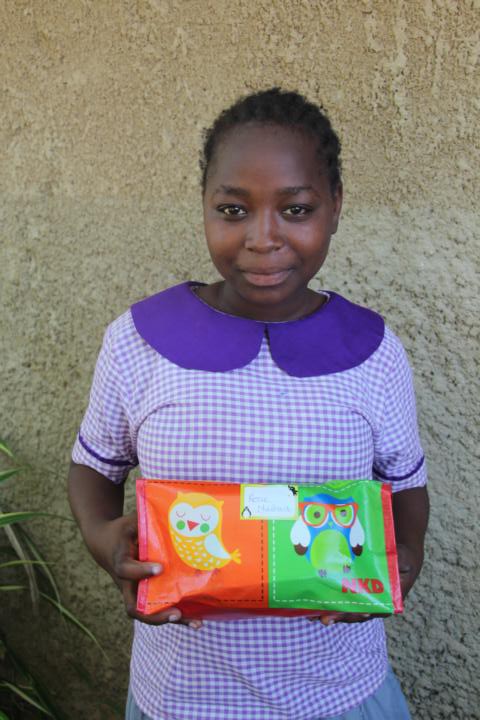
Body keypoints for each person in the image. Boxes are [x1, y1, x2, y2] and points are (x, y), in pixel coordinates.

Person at [68, 88, 429, 720]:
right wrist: (104, 540)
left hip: (340, 692)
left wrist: (398, 569)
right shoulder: (139, 341)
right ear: (204, 207)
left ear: (336, 207)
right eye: (233, 209)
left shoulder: (372, 352)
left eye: (296, 209)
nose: (263, 238)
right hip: (181, 698)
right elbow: (93, 468)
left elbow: (406, 490)